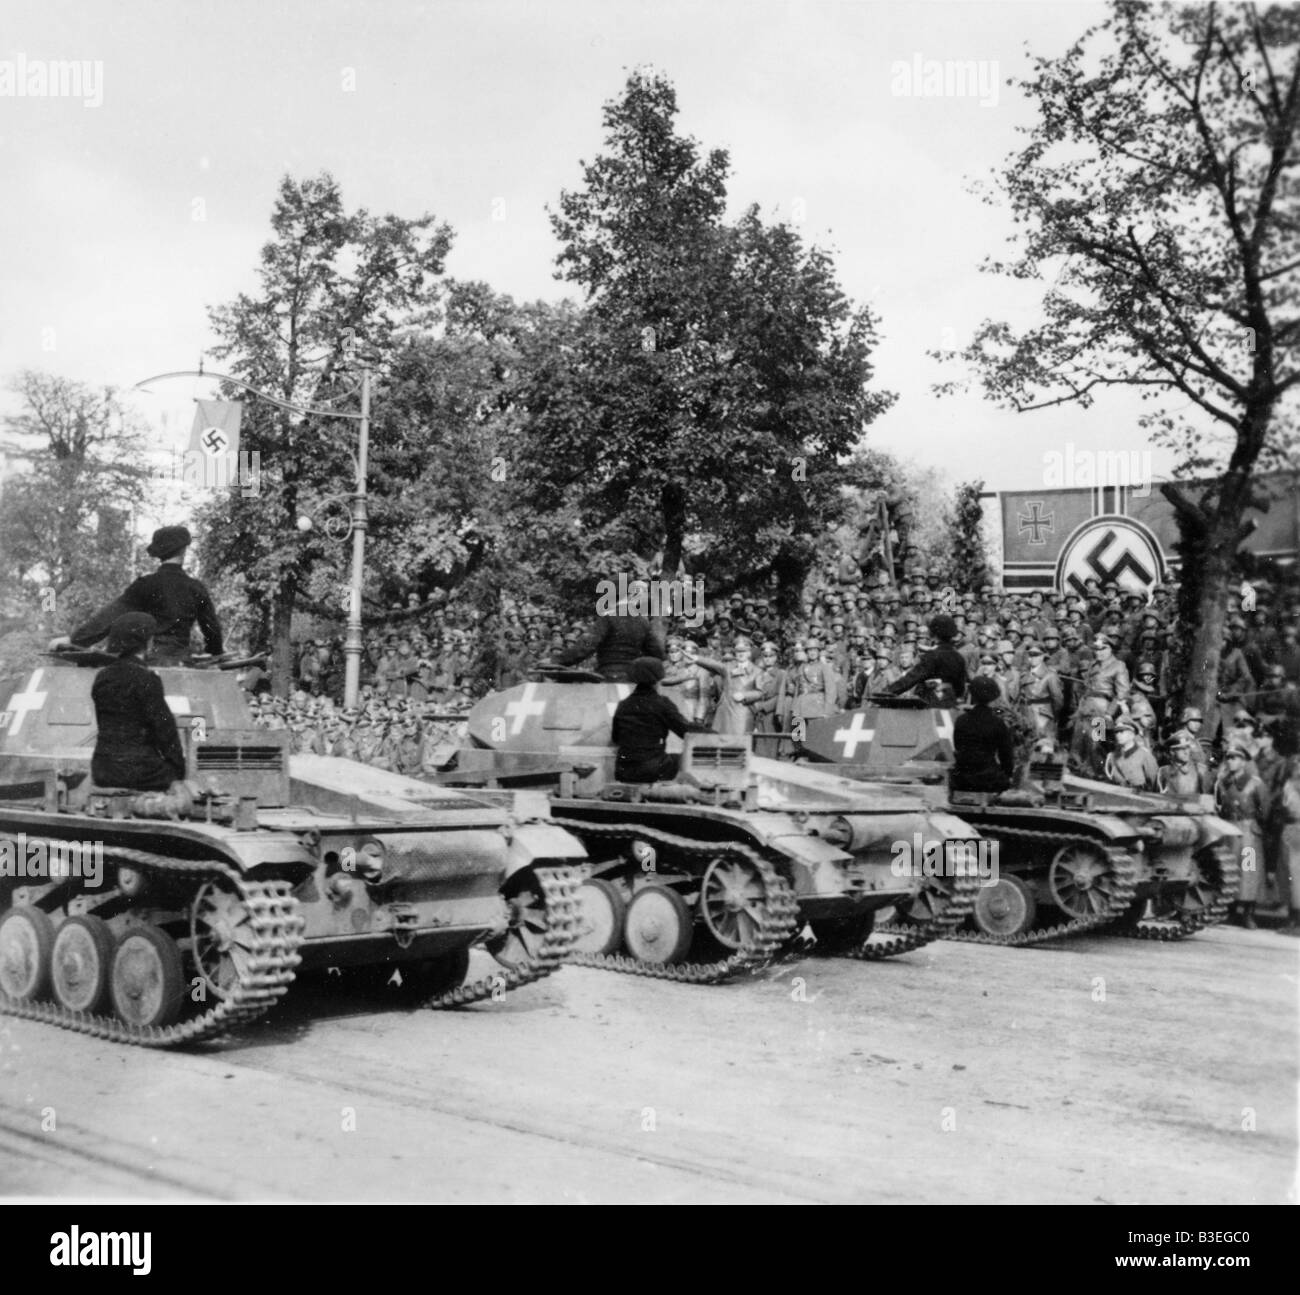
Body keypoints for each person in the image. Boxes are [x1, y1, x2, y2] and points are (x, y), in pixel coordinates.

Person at [55, 525, 223, 667]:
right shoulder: (196, 587)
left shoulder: (146, 584)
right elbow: (212, 630)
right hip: (182, 663)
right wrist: (215, 653)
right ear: (184, 550)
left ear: (158, 554)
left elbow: (108, 617)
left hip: (148, 662)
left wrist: (75, 640)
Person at [89, 613, 186, 791]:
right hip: (138, 770)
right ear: (147, 643)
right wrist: (178, 768)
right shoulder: (147, 678)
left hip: (102, 769)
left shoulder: (102, 677)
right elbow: (164, 729)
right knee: (178, 782)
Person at [611, 656, 710, 783]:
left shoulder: (623, 704)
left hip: (623, 770)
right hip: (652, 770)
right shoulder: (662, 704)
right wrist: (712, 733)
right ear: (658, 679)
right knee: (685, 761)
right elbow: (686, 731)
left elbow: (616, 738)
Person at [554, 579, 666, 682]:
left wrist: (558, 660)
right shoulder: (643, 622)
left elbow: (587, 645)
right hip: (632, 678)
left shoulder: (608, 617)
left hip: (608, 675)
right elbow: (657, 653)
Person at [950, 675, 1015, 794]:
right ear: (993, 697)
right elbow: (1006, 756)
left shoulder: (961, 720)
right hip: (989, 780)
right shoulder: (998, 723)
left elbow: (958, 746)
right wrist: (1008, 776)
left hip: (962, 780)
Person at [883, 614, 968, 704]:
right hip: (950, 704)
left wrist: (887, 691)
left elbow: (912, 678)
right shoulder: (959, 658)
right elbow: (960, 689)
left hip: (930, 704)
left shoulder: (932, 656)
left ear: (934, 635)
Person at [1106, 717, 1159, 790]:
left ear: (1132, 735)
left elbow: (1154, 783)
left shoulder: (1145, 756)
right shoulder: (1112, 757)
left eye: (1122, 732)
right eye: (1116, 732)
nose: (1118, 735)